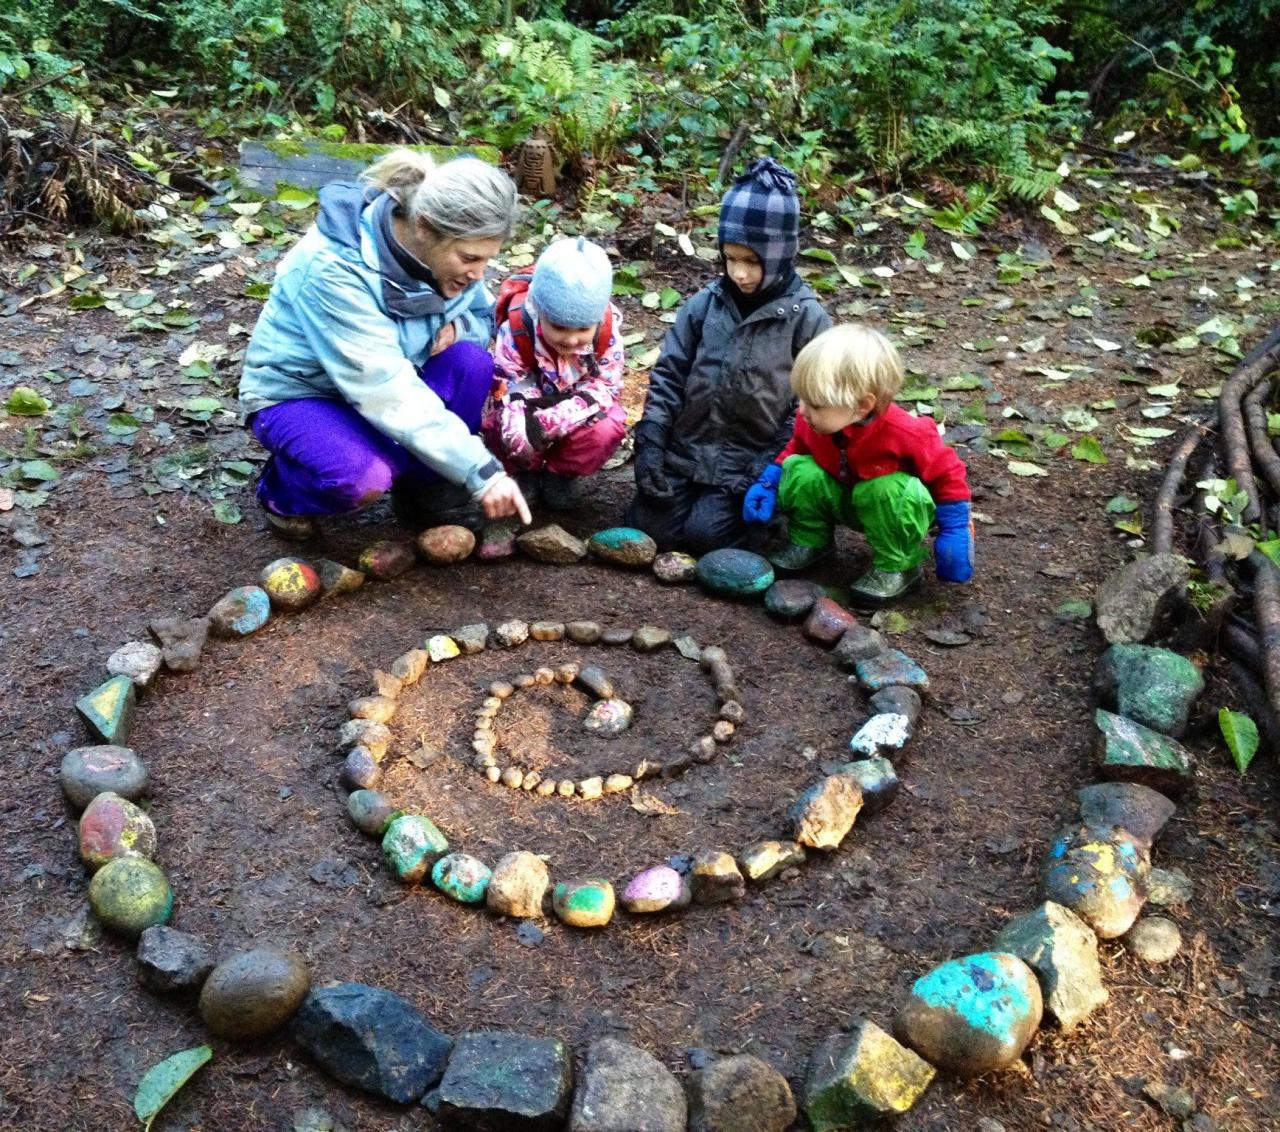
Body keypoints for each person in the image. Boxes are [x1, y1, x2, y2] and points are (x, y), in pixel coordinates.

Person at [239, 149, 531, 539]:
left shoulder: (449, 258)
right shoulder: (334, 269)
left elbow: (480, 320)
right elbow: (385, 389)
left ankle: (425, 487)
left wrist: (456, 331)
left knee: (471, 362)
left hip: (394, 382)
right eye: (470, 258)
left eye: (487, 259)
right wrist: (481, 471)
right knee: (363, 476)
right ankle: (282, 491)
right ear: (425, 227)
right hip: (302, 394)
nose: (480, 274)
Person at [624, 157, 831, 555]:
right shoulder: (705, 305)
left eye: (752, 261)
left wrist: (768, 465)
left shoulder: (806, 318)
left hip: (749, 461)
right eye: (730, 258)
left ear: (780, 253)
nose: (739, 273)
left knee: (707, 536)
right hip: (688, 450)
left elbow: (809, 406)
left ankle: (780, 522)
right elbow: (670, 374)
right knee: (652, 529)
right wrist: (651, 441)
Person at [742, 323, 974, 604]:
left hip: (888, 510)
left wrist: (955, 529)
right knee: (801, 470)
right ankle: (811, 540)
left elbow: (947, 473)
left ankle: (898, 566)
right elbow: (796, 448)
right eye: (801, 399)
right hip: (842, 495)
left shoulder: (907, 433)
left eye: (815, 404)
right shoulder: (814, 422)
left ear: (862, 405)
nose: (802, 411)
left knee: (887, 490)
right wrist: (769, 481)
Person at [481, 236, 626, 510]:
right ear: (539, 311)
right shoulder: (517, 329)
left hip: (580, 406)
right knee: (502, 426)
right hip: (530, 402)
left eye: (583, 329)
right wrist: (523, 418)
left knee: (608, 426)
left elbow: (606, 385)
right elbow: (507, 383)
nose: (571, 340)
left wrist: (560, 417)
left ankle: (560, 474)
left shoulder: (606, 334)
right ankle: (524, 470)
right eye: (559, 327)